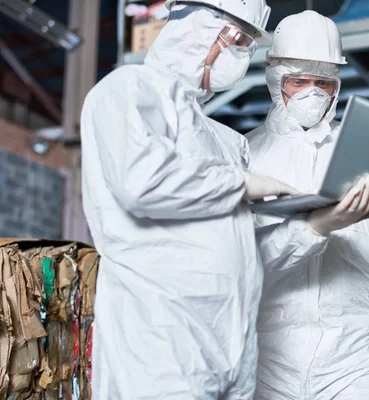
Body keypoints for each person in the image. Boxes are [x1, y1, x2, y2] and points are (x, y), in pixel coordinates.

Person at [79, 1, 297, 398]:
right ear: (197, 25)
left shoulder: (225, 140)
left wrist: (315, 223)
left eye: (249, 47)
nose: (241, 56)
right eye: (237, 40)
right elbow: (141, 181)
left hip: (233, 341)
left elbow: (243, 242)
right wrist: (242, 185)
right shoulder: (129, 90)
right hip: (160, 337)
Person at [247, 11, 369, 400]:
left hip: (352, 357)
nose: (313, 93)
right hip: (267, 357)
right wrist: (316, 225)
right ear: (276, 80)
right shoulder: (245, 156)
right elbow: (237, 261)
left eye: (324, 82)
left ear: (337, 85)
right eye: (300, 81)